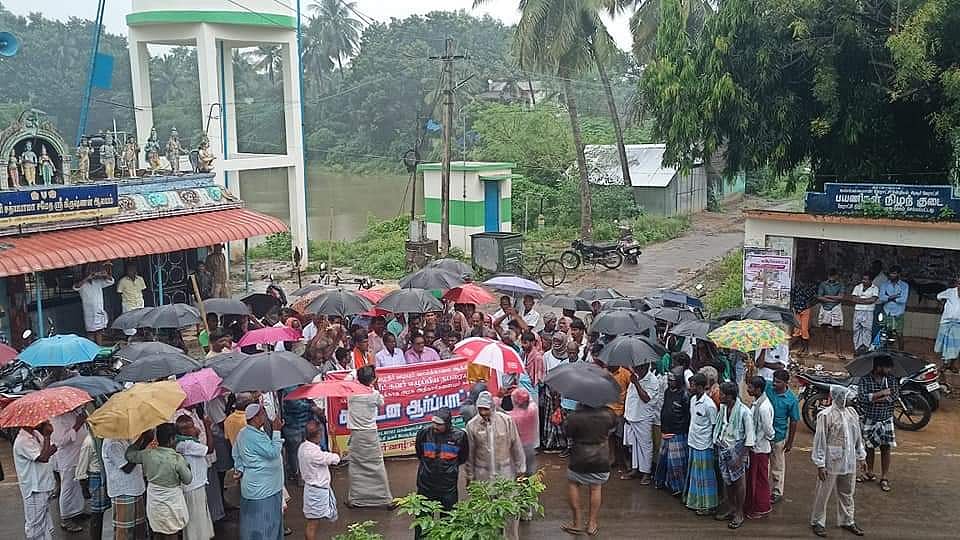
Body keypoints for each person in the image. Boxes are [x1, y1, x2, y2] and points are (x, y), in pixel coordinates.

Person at [465, 391, 526, 540]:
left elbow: (516, 445)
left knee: (509, 508)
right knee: (484, 509)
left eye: (486, 408)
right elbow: (469, 454)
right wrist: (469, 476)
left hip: (504, 472)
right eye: (480, 409)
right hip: (482, 474)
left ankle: (510, 537)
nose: (483, 412)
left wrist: (521, 469)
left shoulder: (506, 421)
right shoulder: (472, 425)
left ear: (492, 407)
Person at [810, 385, 867, 537]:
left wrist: (861, 455)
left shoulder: (852, 413)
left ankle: (847, 520)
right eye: (848, 397)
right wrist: (820, 463)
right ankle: (817, 521)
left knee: (847, 491)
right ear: (840, 397)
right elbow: (820, 440)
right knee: (823, 491)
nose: (851, 399)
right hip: (831, 460)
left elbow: (857, 436)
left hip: (848, 459)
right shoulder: (825, 415)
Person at [124, 425, 192, 539]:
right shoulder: (177, 458)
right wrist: (187, 466)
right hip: (172, 500)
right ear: (171, 439)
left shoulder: (148, 454)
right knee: (173, 530)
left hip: (154, 499)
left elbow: (129, 455)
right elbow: (188, 479)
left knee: (157, 530)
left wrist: (142, 438)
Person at [562, 402, 617, 537]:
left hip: (579, 457)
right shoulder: (608, 414)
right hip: (601, 457)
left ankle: (577, 522)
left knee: (573, 484)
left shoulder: (574, 417)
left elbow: (567, 433)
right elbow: (613, 427)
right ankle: (592, 524)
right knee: (596, 487)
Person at [414, 407, 469, 539]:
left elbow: (463, 457)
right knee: (423, 523)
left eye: (439, 424)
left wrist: (449, 469)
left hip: (448, 487)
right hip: (425, 485)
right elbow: (419, 453)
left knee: (449, 522)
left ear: (448, 423)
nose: (435, 426)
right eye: (434, 423)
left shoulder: (460, 435)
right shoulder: (424, 433)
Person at [232, 403, 285, 540]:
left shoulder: (245, 433)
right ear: (255, 418)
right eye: (262, 414)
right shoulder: (252, 435)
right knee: (265, 526)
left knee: (261, 525)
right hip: (264, 490)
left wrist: (240, 469)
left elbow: (236, 455)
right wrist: (277, 431)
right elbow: (272, 452)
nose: (265, 416)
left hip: (263, 487)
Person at [347, 365, 394, 508]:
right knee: (377, 466)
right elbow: (381, 402)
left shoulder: (350, 390)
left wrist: (355, 372)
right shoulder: (373, 394)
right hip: (370, 435)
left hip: (356, 435)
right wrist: (375, 385)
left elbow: (348, 377)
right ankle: (386, 499)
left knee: (356, 466)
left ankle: (355, 499)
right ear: (372, 379)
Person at [713, 381, 755, 529]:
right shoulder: (724, 408)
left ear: (729, 396)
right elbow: (720, 427)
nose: (720, 396)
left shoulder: (744, 412)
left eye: (722, 394)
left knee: (739, 483)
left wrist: (741, 458)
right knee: (727, 481)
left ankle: (739, 513)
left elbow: (750, 439)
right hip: (723, 449)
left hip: (737, 452)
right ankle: (731, 507)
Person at [857, 355, 898, 492]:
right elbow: (862, 397)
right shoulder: (865, 379)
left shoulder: (891, 379)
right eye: (887, 367)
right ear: (878, 367)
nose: (889, 370)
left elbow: (894, 397)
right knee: (869, 447)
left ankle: (884, 477)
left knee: (885, 448)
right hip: (870, 418)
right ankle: (869, 472)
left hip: (886, 419)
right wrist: (882, 394)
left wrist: (873, 397)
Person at [13, 421, 57, 540]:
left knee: (44, 523)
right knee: (35, 526)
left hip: (43, 484)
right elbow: (43, 457)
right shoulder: (23, 440)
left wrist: (48, 436)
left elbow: (52, 449)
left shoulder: (36, 434)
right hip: (34, 489)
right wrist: (47, 436)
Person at [174, 415, 216, 540]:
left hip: (195, 484)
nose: (195, 428)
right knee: (196, 518)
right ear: (184, 431)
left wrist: (195, 435)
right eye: (192, 426)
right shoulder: (188, 445)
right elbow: (210, 449)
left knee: (199, 515)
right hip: (194, 486)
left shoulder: (183, 442)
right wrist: (208, 427)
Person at [299, 420, 341, 540]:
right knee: (312, 525)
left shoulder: (302, 447)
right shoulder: (316, 454)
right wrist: (333, 436)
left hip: (311, 490)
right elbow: (337, 456)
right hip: (317, 492)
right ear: (318, 435)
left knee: (312, 523)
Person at [622, 362, 662, 484]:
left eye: (638, 367)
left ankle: (646, 473)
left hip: (643, 417)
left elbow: (646, 398)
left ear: (645, 367)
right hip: (631, 416)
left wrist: (636, 383)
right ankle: (635, 469)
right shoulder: (635, 376)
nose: (635, 369)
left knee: (645, 446)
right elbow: (630, 397)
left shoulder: (652, 380)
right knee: (634, 446)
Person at [685, 373, 719, 516]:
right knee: (695, 475)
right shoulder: (693, 400)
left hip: (704, 445)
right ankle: (695, 501)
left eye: (692, 385)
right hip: (693, 442)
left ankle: (708, 505)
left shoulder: (709, 405)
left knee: (705, 476)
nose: (690, 387)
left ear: (699, 387)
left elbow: (714, 426)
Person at [102, 437, 148, 539]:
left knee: (139, 527)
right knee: (124, 531)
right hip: (123, 491)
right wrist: (144, 441)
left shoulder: (126, 439)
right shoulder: (112, 443)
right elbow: (127, 467)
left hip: (136, 489)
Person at [654, 367, 690, 495]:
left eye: (672, 380)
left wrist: (680, 430)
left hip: (677, 433)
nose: (670, 382)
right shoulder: (668, 392)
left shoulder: (684, 395)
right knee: (663, 460)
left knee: (676, 464)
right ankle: (662, 482)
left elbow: (687, 416)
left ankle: (678, 488)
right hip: (666, 430)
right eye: (669, 380)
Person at [50, 408, 87, 533]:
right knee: (68, 487)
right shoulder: (56, 418)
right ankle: (65, 519)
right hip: (68, 458)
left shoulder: (74, 412)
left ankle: (77, 512)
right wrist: (77, 426)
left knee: (77, 485)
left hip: (78, 455)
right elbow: (60, 441)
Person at [766, 368, 799, 505]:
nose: (774, 384)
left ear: (786, 383)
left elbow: (794, 421)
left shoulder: (792, 400)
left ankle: (777, 491)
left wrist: (790, 442)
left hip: (779, 436)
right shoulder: (767, 387)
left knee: (777, 466)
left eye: (778, 382)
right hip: (764, 435)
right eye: (774, 380)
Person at [744, 376, 775, 520]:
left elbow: (769, 431)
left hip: (760, 449)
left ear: (758, 389)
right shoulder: (758, 403)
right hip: (756, 448)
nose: (748, 390)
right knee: (754, 479)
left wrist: (763, 439)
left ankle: (759, 507)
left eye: (750, 387)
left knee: (758, 480)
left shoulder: (763, 408)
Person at [76, 430, 110, 540]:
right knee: (97, 514)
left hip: (106, 476)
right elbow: (81, 469)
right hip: (96, 477)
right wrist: (84, 490)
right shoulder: (89, 442)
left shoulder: (104, 438)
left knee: (105, 512)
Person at [73, 263, 115, 343]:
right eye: (88, 271)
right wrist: (87, 278)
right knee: (90, 333)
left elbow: (111, 281)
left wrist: (106, 275)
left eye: (91, 271)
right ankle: (92, 351)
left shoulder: (97, 282)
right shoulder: (82, 284)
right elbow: (76, 287)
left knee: (99, 332)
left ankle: (99, 348)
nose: (91, 273)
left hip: (99, 311)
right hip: (89, 313)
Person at [508, 388, 539, 479]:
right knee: (530, 469)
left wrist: (499, 396)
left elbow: (497, 408)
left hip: (517, 446)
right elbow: (531, 401)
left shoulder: (512, 416)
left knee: (517, 470)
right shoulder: (533, 409)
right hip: (530, 445)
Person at [877, 265, 909, 349]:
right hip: (887, 312)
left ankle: (901, 353)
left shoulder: (905, 285)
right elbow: (881, 298)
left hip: (899, 313)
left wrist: (889, 297)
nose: (892, 275)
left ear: (899, 274)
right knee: (885, 333)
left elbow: (903, 300)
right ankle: (885, 352)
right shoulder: (884, 285)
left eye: (894, 273)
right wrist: (894, 297)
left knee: (899, 334)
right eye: (891, 273)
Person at [935, 277, 960, 372]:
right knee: (945, 345)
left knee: (956, 345)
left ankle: (953, 365)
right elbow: (939, 296)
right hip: (946, 322)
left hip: (958, 324)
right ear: (958, 284)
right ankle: (945, 364)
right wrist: (942, 304)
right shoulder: (950, 291)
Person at [817, 270, 845, 356]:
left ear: (836, 276)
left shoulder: (840, 284)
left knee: (837, 330)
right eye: (830, 275)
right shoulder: (823, 284)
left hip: (836, 308)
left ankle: (839, 352)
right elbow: (819, 297)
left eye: (833, 275)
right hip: (825, 308)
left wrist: (827, 296)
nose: (831, 277)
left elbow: (841, 297)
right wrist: (833, 299)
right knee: (823, 329)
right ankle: (821, 350)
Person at [850, 272, 880, 353]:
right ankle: (857, 349)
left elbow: (873, 300)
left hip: (868, 312)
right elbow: (853, 299)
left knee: (867, 330)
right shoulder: (857, 287)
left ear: (871, 280)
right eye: (863, 279)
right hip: (858, 311)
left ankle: (866, 349)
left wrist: (860, 300)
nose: (864, 281)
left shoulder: (875, 288)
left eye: (866, 279)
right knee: (856, 330)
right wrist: (866, 300)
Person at [116, 262, 147, 338]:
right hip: (128, 304)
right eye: (129, 270)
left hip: (139, 303)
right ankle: (129, 338)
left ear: (135, 270)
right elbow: (119, 293)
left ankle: (141, 336)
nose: (131, 271)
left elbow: (143, 290)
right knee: (129, 324)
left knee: (140, 321)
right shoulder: (122, 281)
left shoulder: (140, 279)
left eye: (133, 269)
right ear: (126, 271)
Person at [790, 280, 819, 353]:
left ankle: (806, 348)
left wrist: (810, 304)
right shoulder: (795, 288)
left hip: (805, 310)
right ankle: (801, 347)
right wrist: (793, 308)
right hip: (796, 310)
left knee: (804, 329)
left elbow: (814, 297)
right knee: (797, 330)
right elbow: (791, 298)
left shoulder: (809, 288)